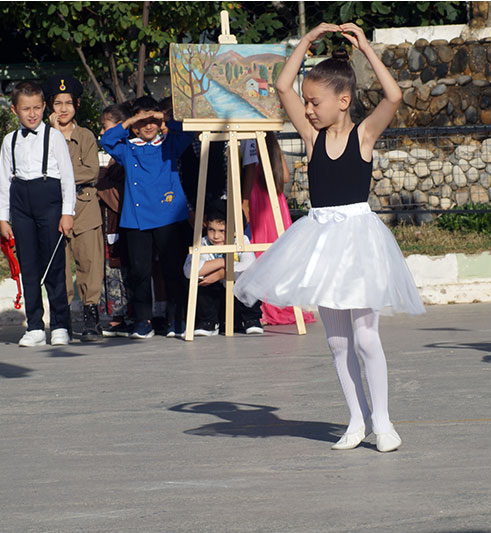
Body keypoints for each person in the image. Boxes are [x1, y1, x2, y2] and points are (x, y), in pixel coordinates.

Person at [234, 23, 425, 452]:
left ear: (343, 101)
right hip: (320, 239)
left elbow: (393, 97)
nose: (308, 107)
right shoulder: (311, 136)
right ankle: (355, 421)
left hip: (358, 241)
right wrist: (307, 41)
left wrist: (366, 50)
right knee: (337, 342)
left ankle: (383, 421)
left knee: (365, 336)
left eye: (314, 101)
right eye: (306, 102)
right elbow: (283, 86)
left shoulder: (364, 135)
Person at [100, 96, 195, 339]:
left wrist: (163, 117)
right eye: (143, 122)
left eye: (153, 120)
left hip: (168, 215)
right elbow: (106, 139)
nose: (148, 125)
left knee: (172, 269)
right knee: (139, 272)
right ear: (134, 125)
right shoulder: (128, 149)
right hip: (136, 219)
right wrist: (133, 119)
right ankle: (143, 321)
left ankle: (177, 319)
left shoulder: (169, 144)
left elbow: (187, 130)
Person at [0, 81, 76, 346]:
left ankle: (60, 325)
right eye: (25, 109)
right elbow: (4, 181)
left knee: (54, 266)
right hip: (21, 205)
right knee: (28, 268)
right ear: (14, 110)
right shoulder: (9, 141)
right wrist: (3, 218)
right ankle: (34, 326)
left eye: (36, 108)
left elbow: (67, 177)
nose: (31, 114)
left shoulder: (53, 137)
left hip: (49, 201)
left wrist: (67, 213)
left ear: (44, 107)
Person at [42, 75, 103, 341]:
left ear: (76, 104)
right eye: (57, 103)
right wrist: (53, 135)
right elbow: (41, 170)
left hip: (85, 206)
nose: (63, 109)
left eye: (68, 103)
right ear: (49, 107)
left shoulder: (86, 136)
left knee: (90, 262)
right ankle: (62, 318)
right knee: (60, 266)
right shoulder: (43, 137)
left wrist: (62, 174)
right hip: (54, 209)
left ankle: (91, 316)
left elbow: (92, 171)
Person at [242, 132, 317, 326]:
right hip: (276, 203)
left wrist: (245, 201)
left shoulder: (251, 145)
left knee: (260, 253)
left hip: (258, 202)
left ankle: (265, 305)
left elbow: (249, 174)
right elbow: (284, 176)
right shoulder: (274, 148)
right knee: (281, 254)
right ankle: (283, 300)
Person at [183, 200, 263, 336]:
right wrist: (222, 262)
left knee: (250, 279)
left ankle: (251, 319)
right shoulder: (203, 243)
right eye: (211, 230)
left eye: (222, 231)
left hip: (237, 299)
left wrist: (221, 274)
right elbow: (190, 270)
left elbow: (248, 265)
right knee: (199, 282)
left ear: (234, 231)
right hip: (216, 300)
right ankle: (209, 322)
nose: (215, 236)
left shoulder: (241, 241)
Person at [96, 103, 132, 337]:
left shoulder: (125, 154)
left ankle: (125, 315)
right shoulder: (112, 158)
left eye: (105, 127)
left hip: (123, 221)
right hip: (110, 222)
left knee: (123, 270)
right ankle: (115, 315)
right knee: (111, 270)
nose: (101, 133)